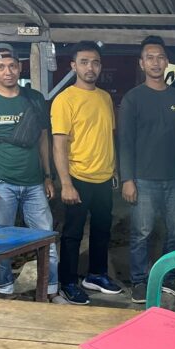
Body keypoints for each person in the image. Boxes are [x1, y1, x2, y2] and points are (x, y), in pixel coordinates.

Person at [0, 43, 62, 302]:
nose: (8, 72)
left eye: (12, 66)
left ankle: (50, 291)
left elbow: (43, 138)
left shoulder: (34, 99)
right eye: (1, 67)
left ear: (20, 67)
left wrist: (48, 175)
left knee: (47, 239)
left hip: (34, 184)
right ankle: (3, 291)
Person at [119, 36, 175, 305]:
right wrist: (127, 179)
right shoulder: (133, 98)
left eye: (160, 57)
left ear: (166, 61)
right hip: (143, 179)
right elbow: (125, 141)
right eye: (149, 57)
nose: (155, 62)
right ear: (142, 63)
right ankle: (139, 280)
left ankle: (170, 277)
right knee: (142, 232)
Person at [52, 41, 121, 305]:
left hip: (104, 177)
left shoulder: (104, 98)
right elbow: (59, 144)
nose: (90, 68)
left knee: (102, 230)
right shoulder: (65, 99)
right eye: (84, 62)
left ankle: (96, 275)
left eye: (95, 62)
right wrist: (66, 183)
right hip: (78, 177)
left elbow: (108, 136)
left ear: (100, 66)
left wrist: (114, 168)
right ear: (73, 66)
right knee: (72, 234)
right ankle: (68, 283)